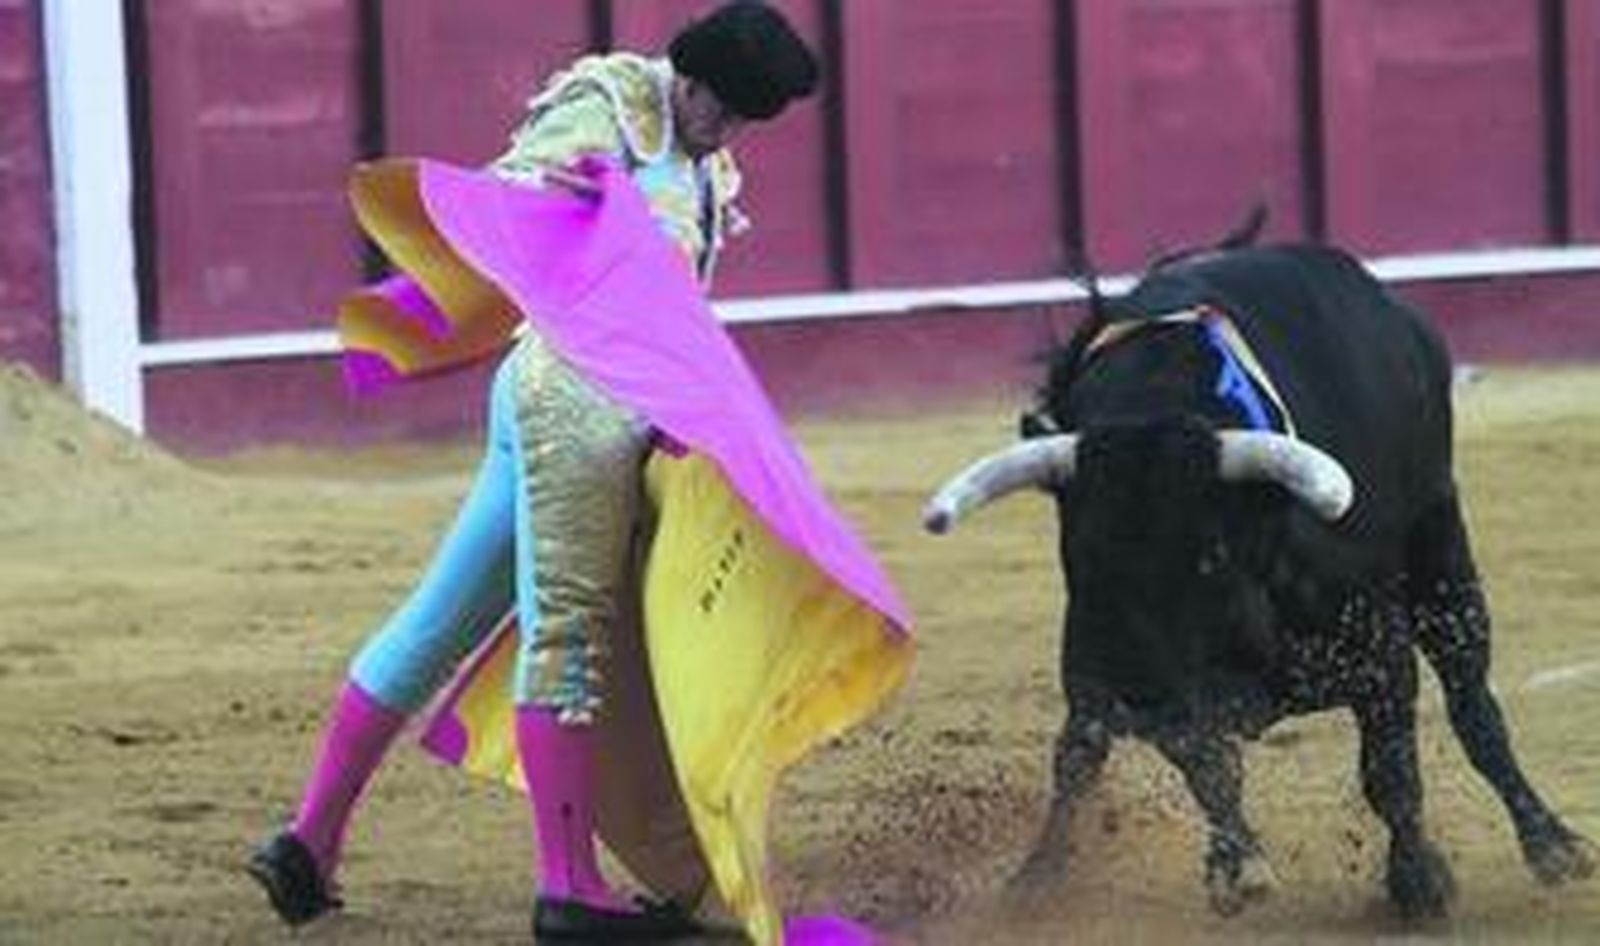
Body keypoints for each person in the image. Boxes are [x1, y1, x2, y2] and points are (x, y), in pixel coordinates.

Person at [246, 3, 819, 941]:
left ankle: (307, 840)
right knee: (570, 631)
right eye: (724, 108)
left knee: (437, 622)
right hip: (574, 397)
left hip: (592, 403)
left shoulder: (708, 162)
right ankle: (566, 888)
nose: (730, 130)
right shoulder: (606, 106)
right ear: (692, 75)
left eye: (749, 118)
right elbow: (507, 199)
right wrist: (559, 195)